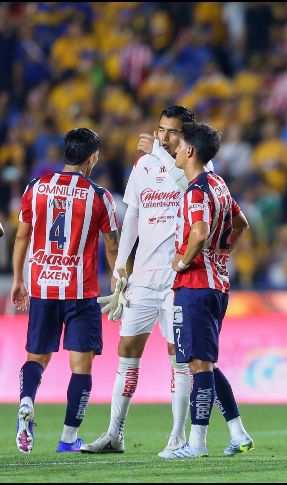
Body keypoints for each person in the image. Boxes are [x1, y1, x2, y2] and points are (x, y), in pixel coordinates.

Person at [81, 106, 248, 457]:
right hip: (144, 276)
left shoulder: (200, 170)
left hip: (181, 279)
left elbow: (191, 191)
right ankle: (114, 433)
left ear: (187, 139)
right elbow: (133, 215)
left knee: (183, 359)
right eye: (161, 130)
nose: (165, 137)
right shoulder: (143, 166)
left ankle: (177, 437)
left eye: (173, 132)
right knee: (127, 351)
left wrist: (159, 154)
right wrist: (120, 266)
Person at [13, 128, 120, 453]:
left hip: (43, 286)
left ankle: (27, 400)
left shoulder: (36, 187)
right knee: (81, 365)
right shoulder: (99, 196)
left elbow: (21, 236)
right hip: (80, 291)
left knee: (37, 356)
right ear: (92, 158)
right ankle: (69, 439)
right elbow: (112, 245)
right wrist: (118, 282)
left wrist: (18, 279)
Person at [157, 122, 250, 459]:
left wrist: (182, 262)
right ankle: (238, 432)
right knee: (205, 362)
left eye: (179, 144)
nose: (175, 149)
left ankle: (196, 444)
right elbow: (241, 224)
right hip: (217, 285)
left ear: (191, 150)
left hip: (195, 286)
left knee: (198, 365)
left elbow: (199, 232)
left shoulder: (196, 190)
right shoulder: (219, 184)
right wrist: (220, 255)